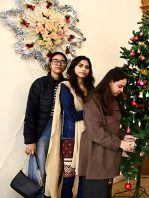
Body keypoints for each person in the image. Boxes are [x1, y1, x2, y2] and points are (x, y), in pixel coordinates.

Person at [78, 67, 136, 198]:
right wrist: (120, 143)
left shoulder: (112, 100)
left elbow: (111, 127)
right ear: (110, 81)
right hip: (95, 158)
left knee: (105, 194)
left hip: (107, 157)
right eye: (120, 86)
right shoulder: (93, 99)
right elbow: (95, 132)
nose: (122, 90)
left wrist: (124, 136)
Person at [45, 56, 95, 198]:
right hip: (70, 138)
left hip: (89, 136)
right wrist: (92, 113)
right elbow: (72, 115)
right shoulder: (65, 87)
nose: (84, 69)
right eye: (80, 65)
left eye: (87, 66)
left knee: (84, 177)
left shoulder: (91, 89)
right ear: (73, 67)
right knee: (69, 178)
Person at [23, 52, 67, 197]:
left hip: (62, 126)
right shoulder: (39, 83)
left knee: (57, 163)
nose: (58, 64)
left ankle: (51, 193)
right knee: (40, 163)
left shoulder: (67, 84)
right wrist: (30, 140)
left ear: (65, 65)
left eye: (62, 61)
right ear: (49, 63)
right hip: (44, 126)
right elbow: (30, 113)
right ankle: (38, 195)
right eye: (55, 61)